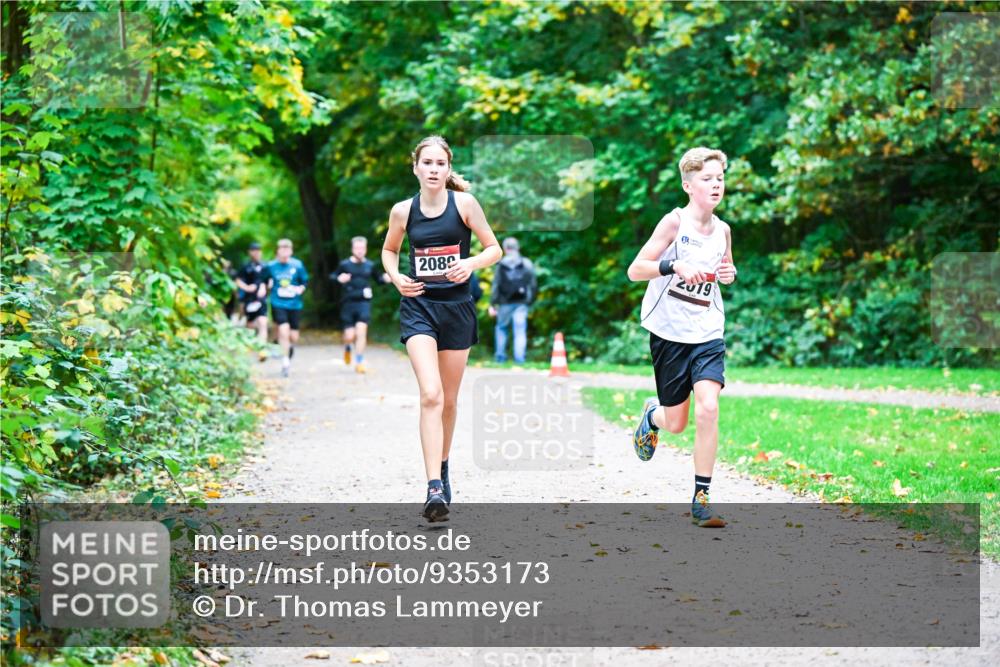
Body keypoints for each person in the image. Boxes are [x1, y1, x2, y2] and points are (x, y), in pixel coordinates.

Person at [382, 136, 502, 522]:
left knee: (449, 401)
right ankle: (433, 486)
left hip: (457, 310)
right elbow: (389, 250)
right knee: (430, 395)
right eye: (427, 163)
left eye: (440, 163)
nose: (433, 169)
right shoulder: (403, 211)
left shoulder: (464, 205)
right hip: (418, 307)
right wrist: (396, 277)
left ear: (448, 169)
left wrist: (470, 264)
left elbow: (494, 248)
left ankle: (444, 465)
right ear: (415, 167)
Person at [626, 146, 738, 528]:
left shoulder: (723, 230)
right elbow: (635, 270)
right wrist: (673, 265)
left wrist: (729, 274)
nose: (716, 184)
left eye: (720, 178)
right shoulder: (673, 223)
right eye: (707, 179)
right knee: (676, 422)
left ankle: (701, 498)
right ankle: (652, 414)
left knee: (708, 408)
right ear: (688, 185)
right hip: (669, 332)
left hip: (707, 330)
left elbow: (726, 269)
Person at [333, 236, 390, 374]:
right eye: (357, 248)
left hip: (364, 303)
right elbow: (333, 277)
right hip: (348, 303)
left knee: (361, 331)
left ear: (365, 249)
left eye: (362, 248)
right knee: (350, 336)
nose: (360, 251)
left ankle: (359, 361)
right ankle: (347, 347)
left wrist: (386, 279)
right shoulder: (345, 265)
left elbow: (379, 280)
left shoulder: (369, 265)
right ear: (352, 249)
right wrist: (339, 278)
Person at [488, 237, 537, 364]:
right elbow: (533, 284)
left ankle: (500, 358)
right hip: (522, 302)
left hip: (504, 303)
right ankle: (520, 359)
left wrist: (492, 303)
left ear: (505, 249)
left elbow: (496, 285)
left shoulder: (501, 264)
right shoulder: (526, 263)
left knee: (501, 328)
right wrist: (529, 300)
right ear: (518, 247)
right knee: (520, 330)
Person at [266, 238, 309, 377]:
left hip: (295, 304)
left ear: (291, 251)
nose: (284, 252)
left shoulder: (297, 265)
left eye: (287, 249)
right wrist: (265, 285)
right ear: (278, 251)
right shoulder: (271, 266)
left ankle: (287, 347)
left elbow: (304, 281)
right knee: (283, 330)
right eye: (282, 249)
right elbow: (263, 279)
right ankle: (285, 362)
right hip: (278, 302)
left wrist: (301, 288)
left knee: (293, 336)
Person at [235, 242, 269, 361]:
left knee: (263, 322)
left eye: (258, 250)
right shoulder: (245, 266)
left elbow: (270, 280)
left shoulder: (265, 266)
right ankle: (250, 347)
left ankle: (262, 350)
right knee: (250, 326)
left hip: (261, 299)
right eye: (254, 250)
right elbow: (238, 280)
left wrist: (264, 287)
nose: (256, 253)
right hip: (249, 299)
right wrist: (247, 288)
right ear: (250, 252)